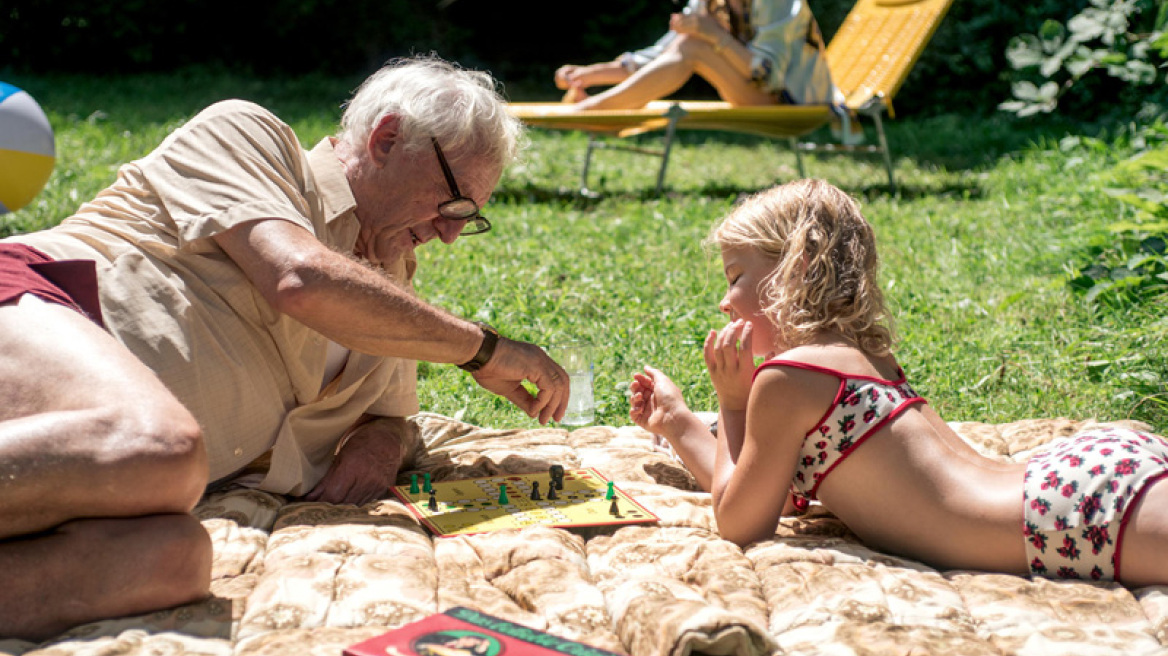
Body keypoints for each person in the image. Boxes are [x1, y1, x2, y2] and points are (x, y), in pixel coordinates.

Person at [0, 55, 570, 640]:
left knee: (176, 560)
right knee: (159, 446)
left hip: (99, 465)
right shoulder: (246, 135)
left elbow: (392, 417)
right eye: (454, 203)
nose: (452, 231)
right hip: (31, 305)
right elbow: (301, 278)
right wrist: (484, 351)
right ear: (388, 138)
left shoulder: (390, 280)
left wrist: (380, 442)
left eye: (471, 218)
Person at [629, 179, 1168, 585]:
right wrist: (677, 424)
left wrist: (734, 403)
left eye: (735, 277)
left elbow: (740, 520)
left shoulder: (785, 381)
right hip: (1072, 478)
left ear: (799, 267)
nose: (724, 301)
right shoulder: (865, 355)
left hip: (1063, 515)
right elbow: (766, 490)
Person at [554, 0, 843, 115]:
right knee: (689, 41)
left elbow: (769, 75)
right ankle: (599, 109)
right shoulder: (710, 2)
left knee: (694, 45)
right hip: (760, 92)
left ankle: (593, 111)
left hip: (800, 102)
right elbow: (663, 54)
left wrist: (715, 36)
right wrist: (592, 74)